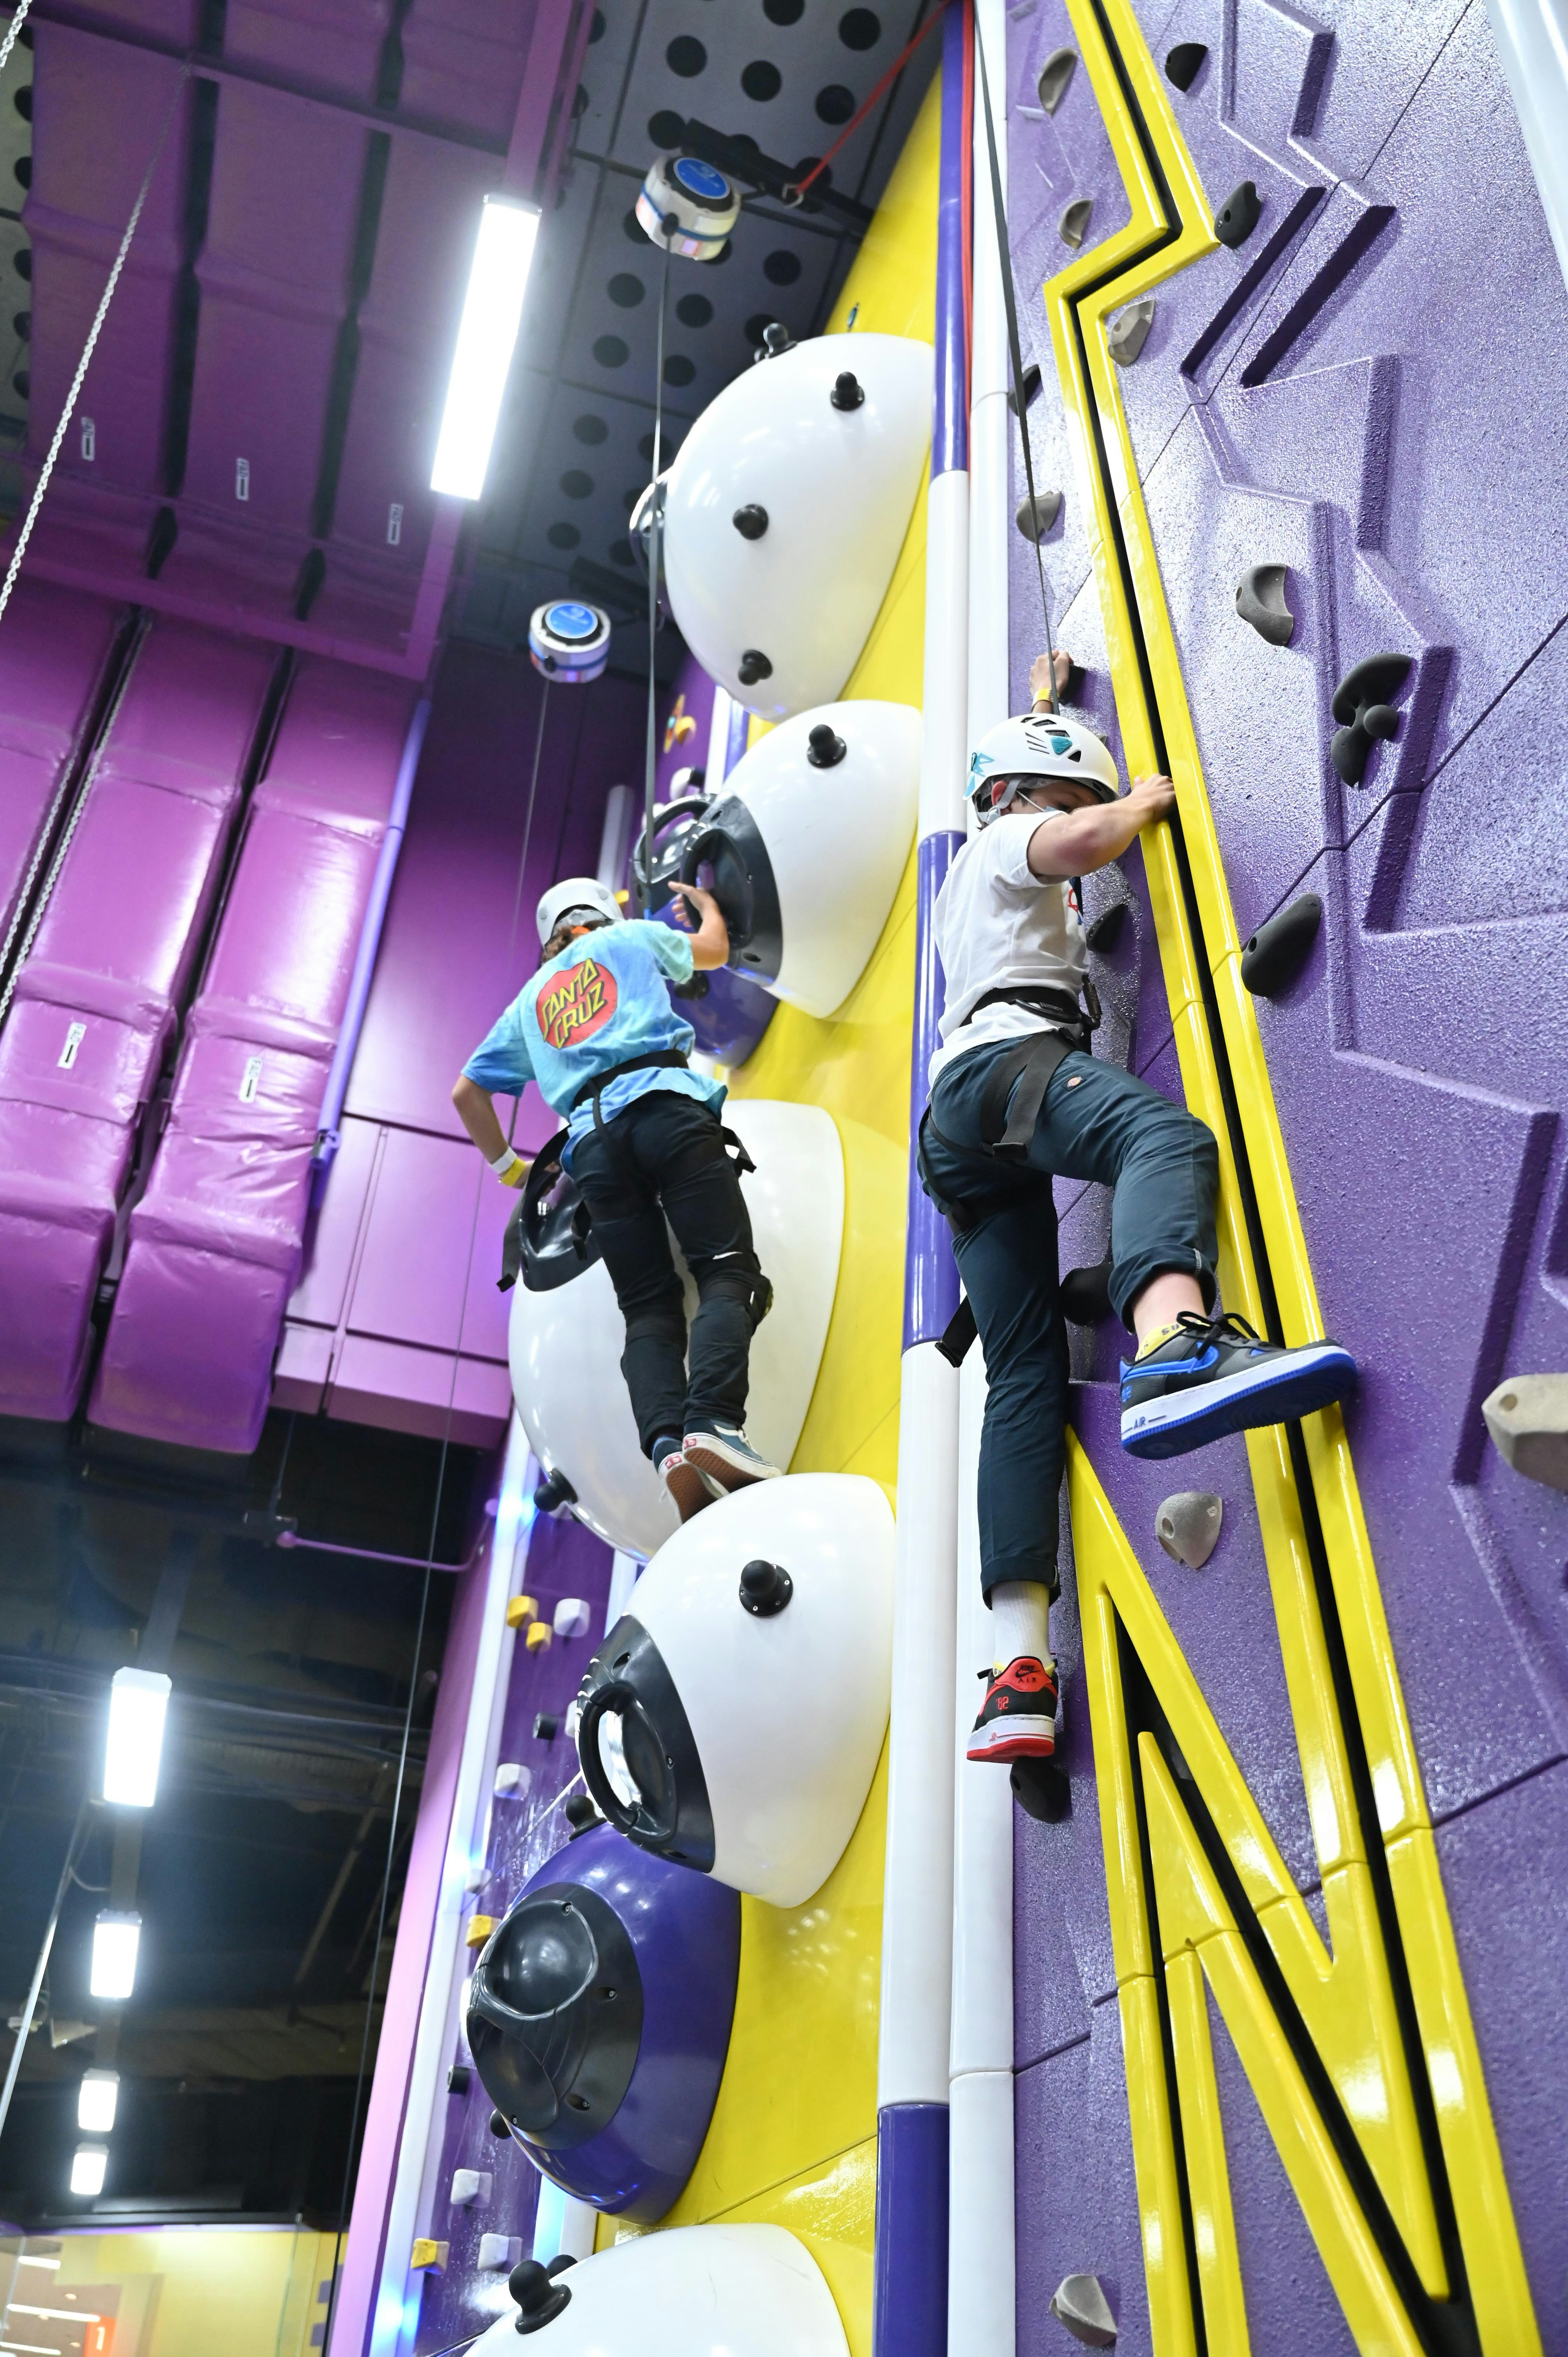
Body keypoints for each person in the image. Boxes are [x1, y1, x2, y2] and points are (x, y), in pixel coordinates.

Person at [919, 651, 1357, 1770]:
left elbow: (1041, 801)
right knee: (1162, 1138)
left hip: (957, 1124)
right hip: (1006, 1066)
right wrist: (1133, 806)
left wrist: (1050, 701)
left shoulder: (972, 882)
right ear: (1028, 795)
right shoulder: (1008, 839)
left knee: (1022, 1377)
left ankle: (1017, 1667)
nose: (1083, 826)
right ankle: (1172, 1347)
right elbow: (1066, 840)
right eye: (1069, 793)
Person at [453, 875, 779, 1525]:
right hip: (661, 1107)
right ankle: (713, 1422)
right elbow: (712, 949)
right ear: (602, 914)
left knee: (647, 1309)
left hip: (592, 1147)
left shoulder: (529, 1003)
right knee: (725, 1270)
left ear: (549, 939)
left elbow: (467, 1093)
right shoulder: (631, 937)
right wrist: (710, 908)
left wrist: (507, 1167)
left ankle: (666, 1447)